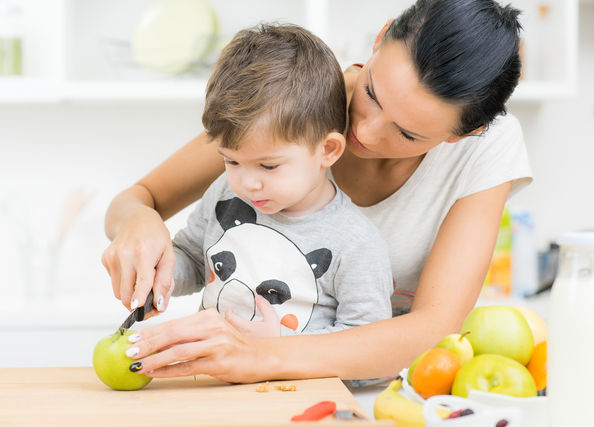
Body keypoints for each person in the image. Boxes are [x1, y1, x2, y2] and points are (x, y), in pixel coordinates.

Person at [102, 0, 532, 383]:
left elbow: (435, 325)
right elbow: (140, 198)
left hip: (362, 388)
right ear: (380, 39)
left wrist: (263, 356)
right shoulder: (297, 101)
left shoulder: (486, 148)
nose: (362, 129)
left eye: (406, 132)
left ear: (466, 133)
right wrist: (140, 221)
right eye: (372, 94)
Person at [158, 23, 393, 340]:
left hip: (297, 390)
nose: (247, 183)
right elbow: (193, 257)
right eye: (232, 160)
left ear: (327, 150)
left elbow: (370, 347)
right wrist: (161, 278)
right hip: (216, 384)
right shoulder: (225, 195)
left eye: (268, 166)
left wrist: (279, 348)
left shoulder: (355, 243)